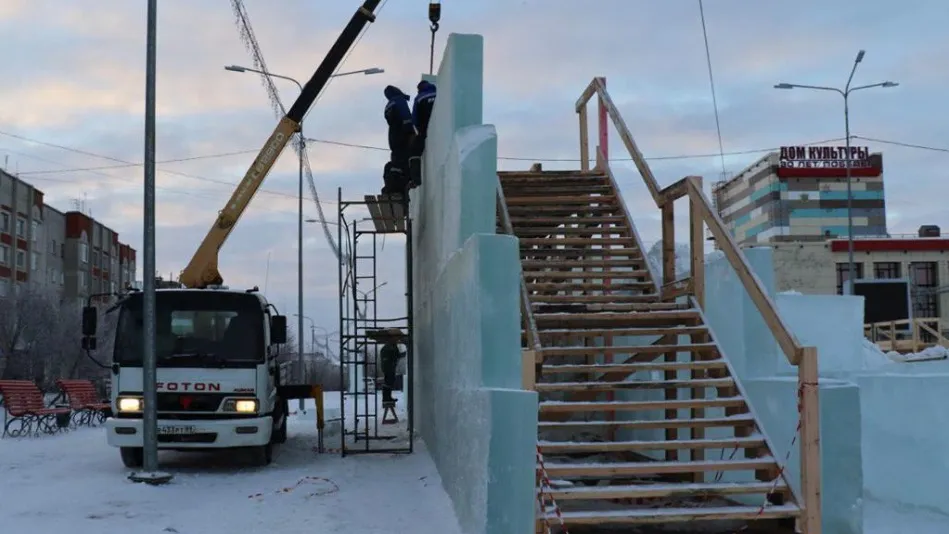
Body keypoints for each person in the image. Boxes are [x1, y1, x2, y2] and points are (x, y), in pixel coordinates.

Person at [382, 85, 414, 195]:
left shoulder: (388, 105)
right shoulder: (399, 100)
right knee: (405, 162)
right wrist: (411, 132)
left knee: (397, 162)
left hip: (393, 137)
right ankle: (402, 190)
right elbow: (406, 117)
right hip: (402, 135)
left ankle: (394, 189)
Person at [408, 80, 437, 187]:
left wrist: (418, 133)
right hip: (440, 127)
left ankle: (416, 180)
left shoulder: (419, 98)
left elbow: (414, 119)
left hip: (425, 130)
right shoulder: (438, 93)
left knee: (414, 152)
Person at [378, 338, 404, 403]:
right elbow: (394, 356)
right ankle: (386, 398)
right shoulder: (387, 347)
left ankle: (387, 397)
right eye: (396, 340)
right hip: (388, 368)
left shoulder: (392, 346)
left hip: (389, 367)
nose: (397, 342)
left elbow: (396, 355)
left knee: (390, 381)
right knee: (389, 382)